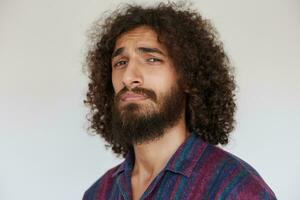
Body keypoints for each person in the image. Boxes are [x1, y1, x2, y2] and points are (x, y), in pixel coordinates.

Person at [82, 2, 276, 200]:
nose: (128, 77)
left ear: (188, 78)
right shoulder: (99, 193)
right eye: (121, 63)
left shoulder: (235, 189)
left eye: (151, 59)